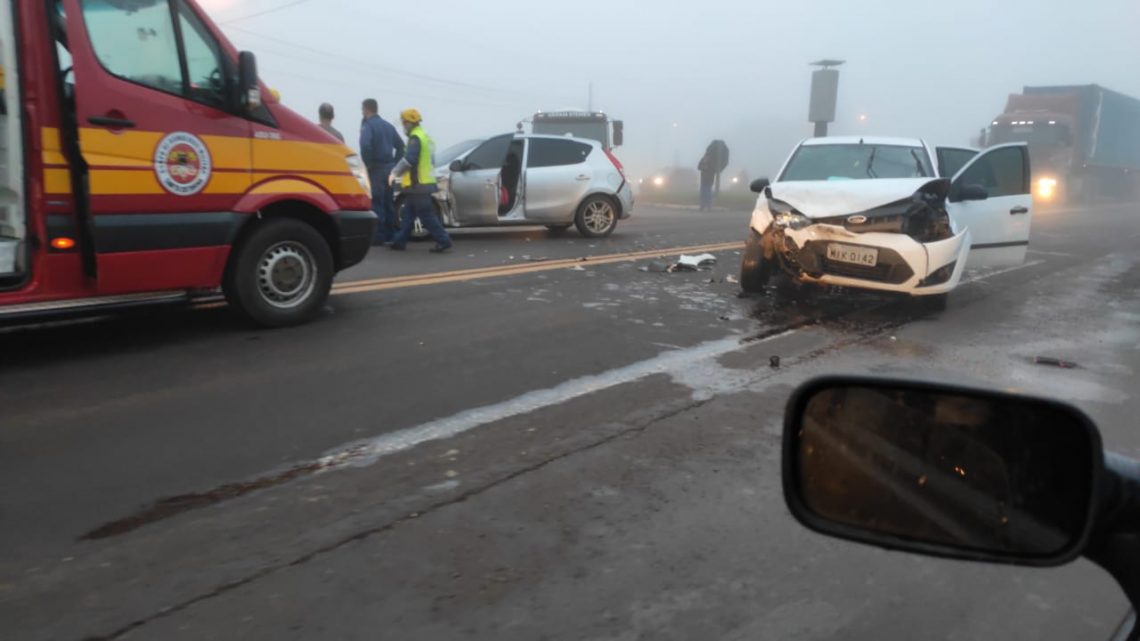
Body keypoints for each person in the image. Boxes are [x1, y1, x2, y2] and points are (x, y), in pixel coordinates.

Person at [388, 109, 452, 253]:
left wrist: (394, 172)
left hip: (418, 184)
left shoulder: (415, 138)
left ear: (409, 122)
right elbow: (431, 160)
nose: (404, 126)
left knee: (426, 215)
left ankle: (443, 240)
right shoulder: (425, 136)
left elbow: (409, 160)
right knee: (408, 214)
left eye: (404, 123)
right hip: (421, 183)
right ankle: (399, 242)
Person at [360, 98, 405, 245]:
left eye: (363, 110)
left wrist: (368, 164)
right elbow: (401, 146)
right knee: (388, 203)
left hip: (377, 169)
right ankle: (390, 235)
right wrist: (395, 164)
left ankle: (378, 237)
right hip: (389, 169)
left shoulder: (368, 126)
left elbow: (366, 146)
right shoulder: (388, 126)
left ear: (366, 109)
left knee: (377, 203)